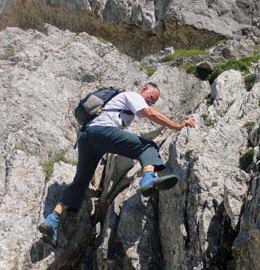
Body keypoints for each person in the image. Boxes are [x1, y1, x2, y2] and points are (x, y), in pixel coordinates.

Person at [38, 83, 195, 246]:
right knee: (147, 146)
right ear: (143, 89)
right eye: (151, 97)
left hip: (86, 137)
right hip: (102, 133)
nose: (150, 102)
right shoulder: (132, 95)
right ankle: (148, 178)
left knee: (80, 182)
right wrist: (177, 126)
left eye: (153, 101)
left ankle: (52, 219)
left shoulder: (117, 103)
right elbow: (148, 113)